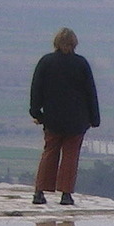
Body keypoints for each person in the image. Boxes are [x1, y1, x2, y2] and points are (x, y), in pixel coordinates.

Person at [27, 27, 100, 206]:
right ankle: (66, 195)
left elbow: (36, 90)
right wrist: (94, 118)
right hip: (77, 119)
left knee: (49, 152)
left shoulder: (46, 62)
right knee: (70, 155)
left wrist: (36, 113)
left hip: (52, 118)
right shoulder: (81, 64)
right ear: (74, 43)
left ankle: (39, 192)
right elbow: (91, 92)